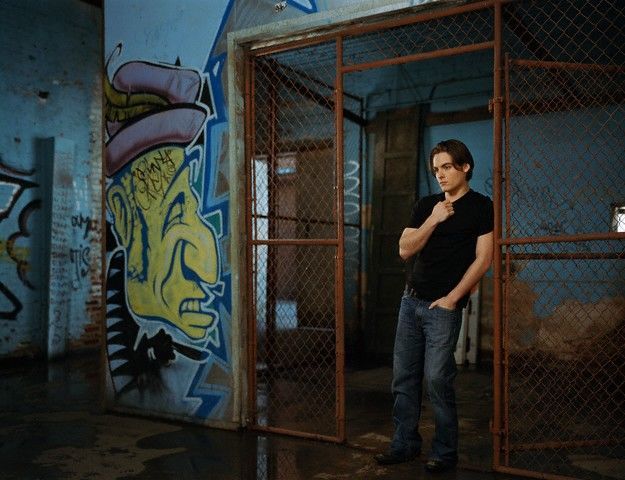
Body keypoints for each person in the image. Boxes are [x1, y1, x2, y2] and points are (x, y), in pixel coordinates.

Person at [374, 139, 494, 473]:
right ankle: (405, 444)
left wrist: (452, 299)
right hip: (410, 301)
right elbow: (404, 249)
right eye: (436, 169)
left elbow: (484, 259)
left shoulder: (482, 206)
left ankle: (444, 451)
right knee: (404, 378)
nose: (440, 174)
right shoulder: (428, 204)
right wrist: (434, 219)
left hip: (442, 308)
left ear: (465, 167)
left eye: (446, 167)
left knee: (438, 379)